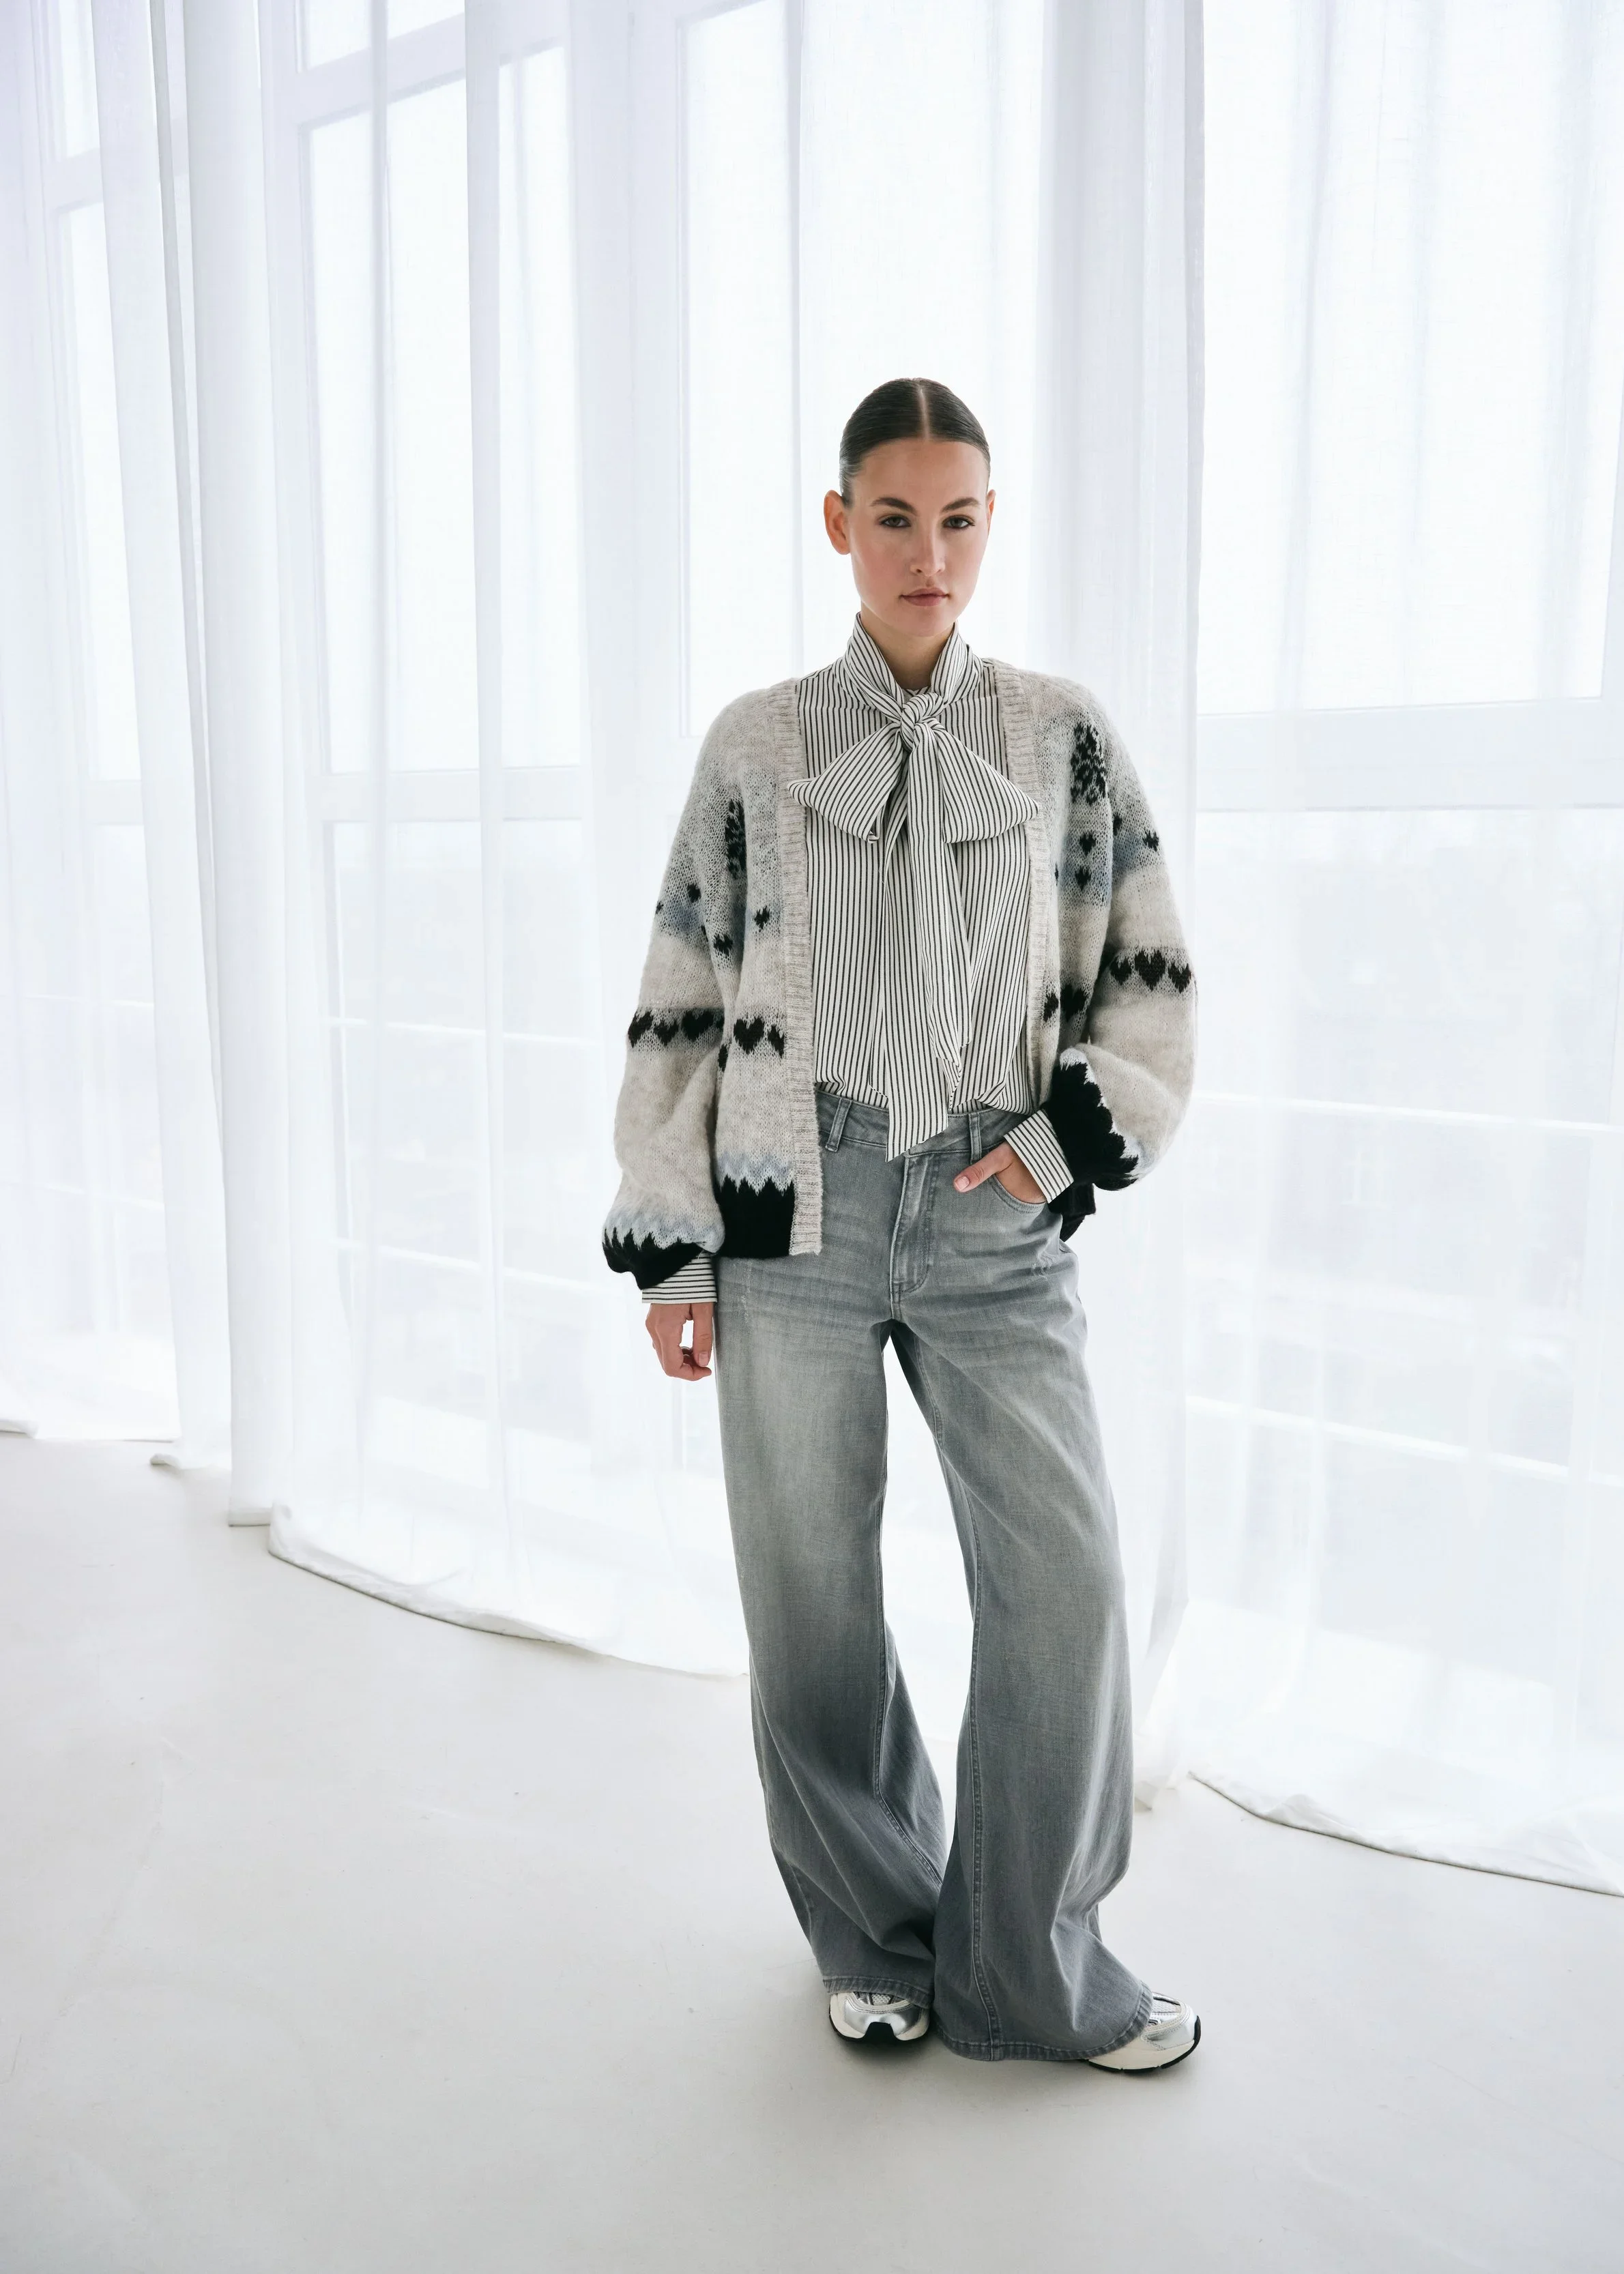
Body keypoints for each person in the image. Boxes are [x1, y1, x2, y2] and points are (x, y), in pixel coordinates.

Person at [601, 377, 1198, 2071]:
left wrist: (1064, 1141)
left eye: (956, 519)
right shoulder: (756, 743)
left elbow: (1145, 971)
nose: (926, 553)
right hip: (787, 1208)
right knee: (809, 1603)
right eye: (891, 518)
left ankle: (1029, 1970)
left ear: (989, 525)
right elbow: (681, 992)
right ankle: (870, 1934)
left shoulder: (1059, 734)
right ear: (837, 524)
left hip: (992, 1209)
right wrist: (671, 1243)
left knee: (1066, 1584)